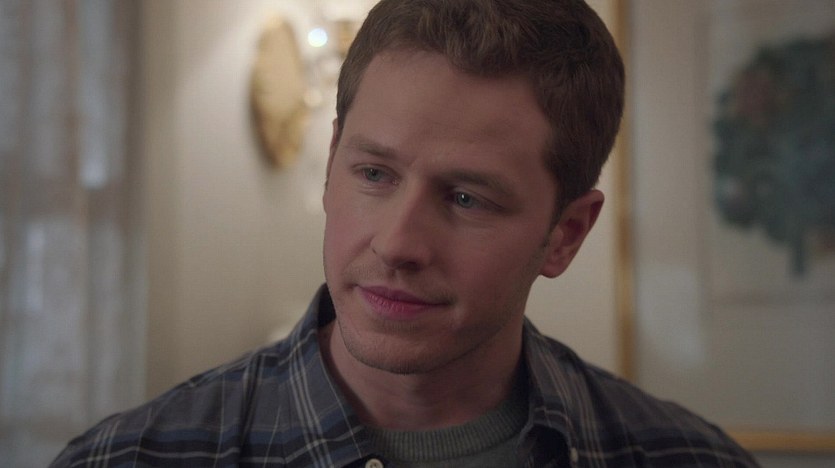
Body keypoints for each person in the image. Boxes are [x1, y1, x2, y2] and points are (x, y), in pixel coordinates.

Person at [52, 0, 759, 466]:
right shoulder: (133, 458)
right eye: (374, 174)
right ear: (331, 163)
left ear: (565, 235)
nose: (396, 244)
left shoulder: (685, 459)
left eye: (466, 198)